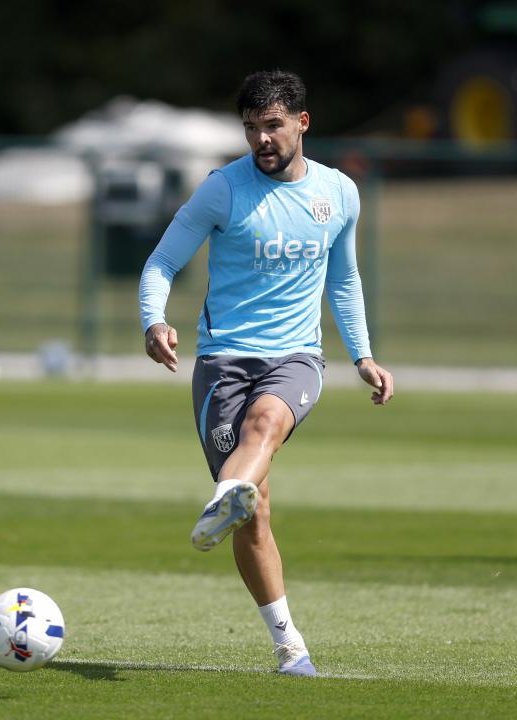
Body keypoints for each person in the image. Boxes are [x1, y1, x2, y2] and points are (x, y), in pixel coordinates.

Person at [138, 70, 393, 676]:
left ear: (302, 123)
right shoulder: (221, 190)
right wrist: (154, 321)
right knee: (255, 515)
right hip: (222, 362)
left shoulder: (339, 194)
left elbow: (345, 279)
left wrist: (362, 355)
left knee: (265, 422)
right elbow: (162, 262)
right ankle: (289, 645)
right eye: (251, 128)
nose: (262, 139)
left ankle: (224, 495)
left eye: (273, 125)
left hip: (295, 359)